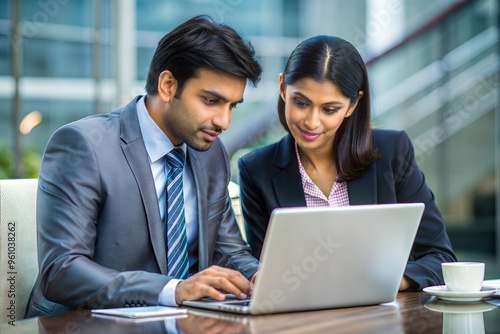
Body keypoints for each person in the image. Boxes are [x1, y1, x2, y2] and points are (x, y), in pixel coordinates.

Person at [25, 15, 261, 318]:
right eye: (211, 100)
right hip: (82, 323)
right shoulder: (84, 145)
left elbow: (228, 251)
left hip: (179, 323)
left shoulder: (209, 153)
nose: (223, 121)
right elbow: (61, 270)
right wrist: (173, 290)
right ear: (167, 85)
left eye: (232, 106)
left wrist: (259, 278)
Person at [238, 35, 457, 291]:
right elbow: (266, 271)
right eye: (301, 102)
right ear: (282, 88)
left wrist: (389, 280)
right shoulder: (256, 170)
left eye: (329, 109)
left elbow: (440, 259)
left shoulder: (391, 152)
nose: (312, 121)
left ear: (352, 105)